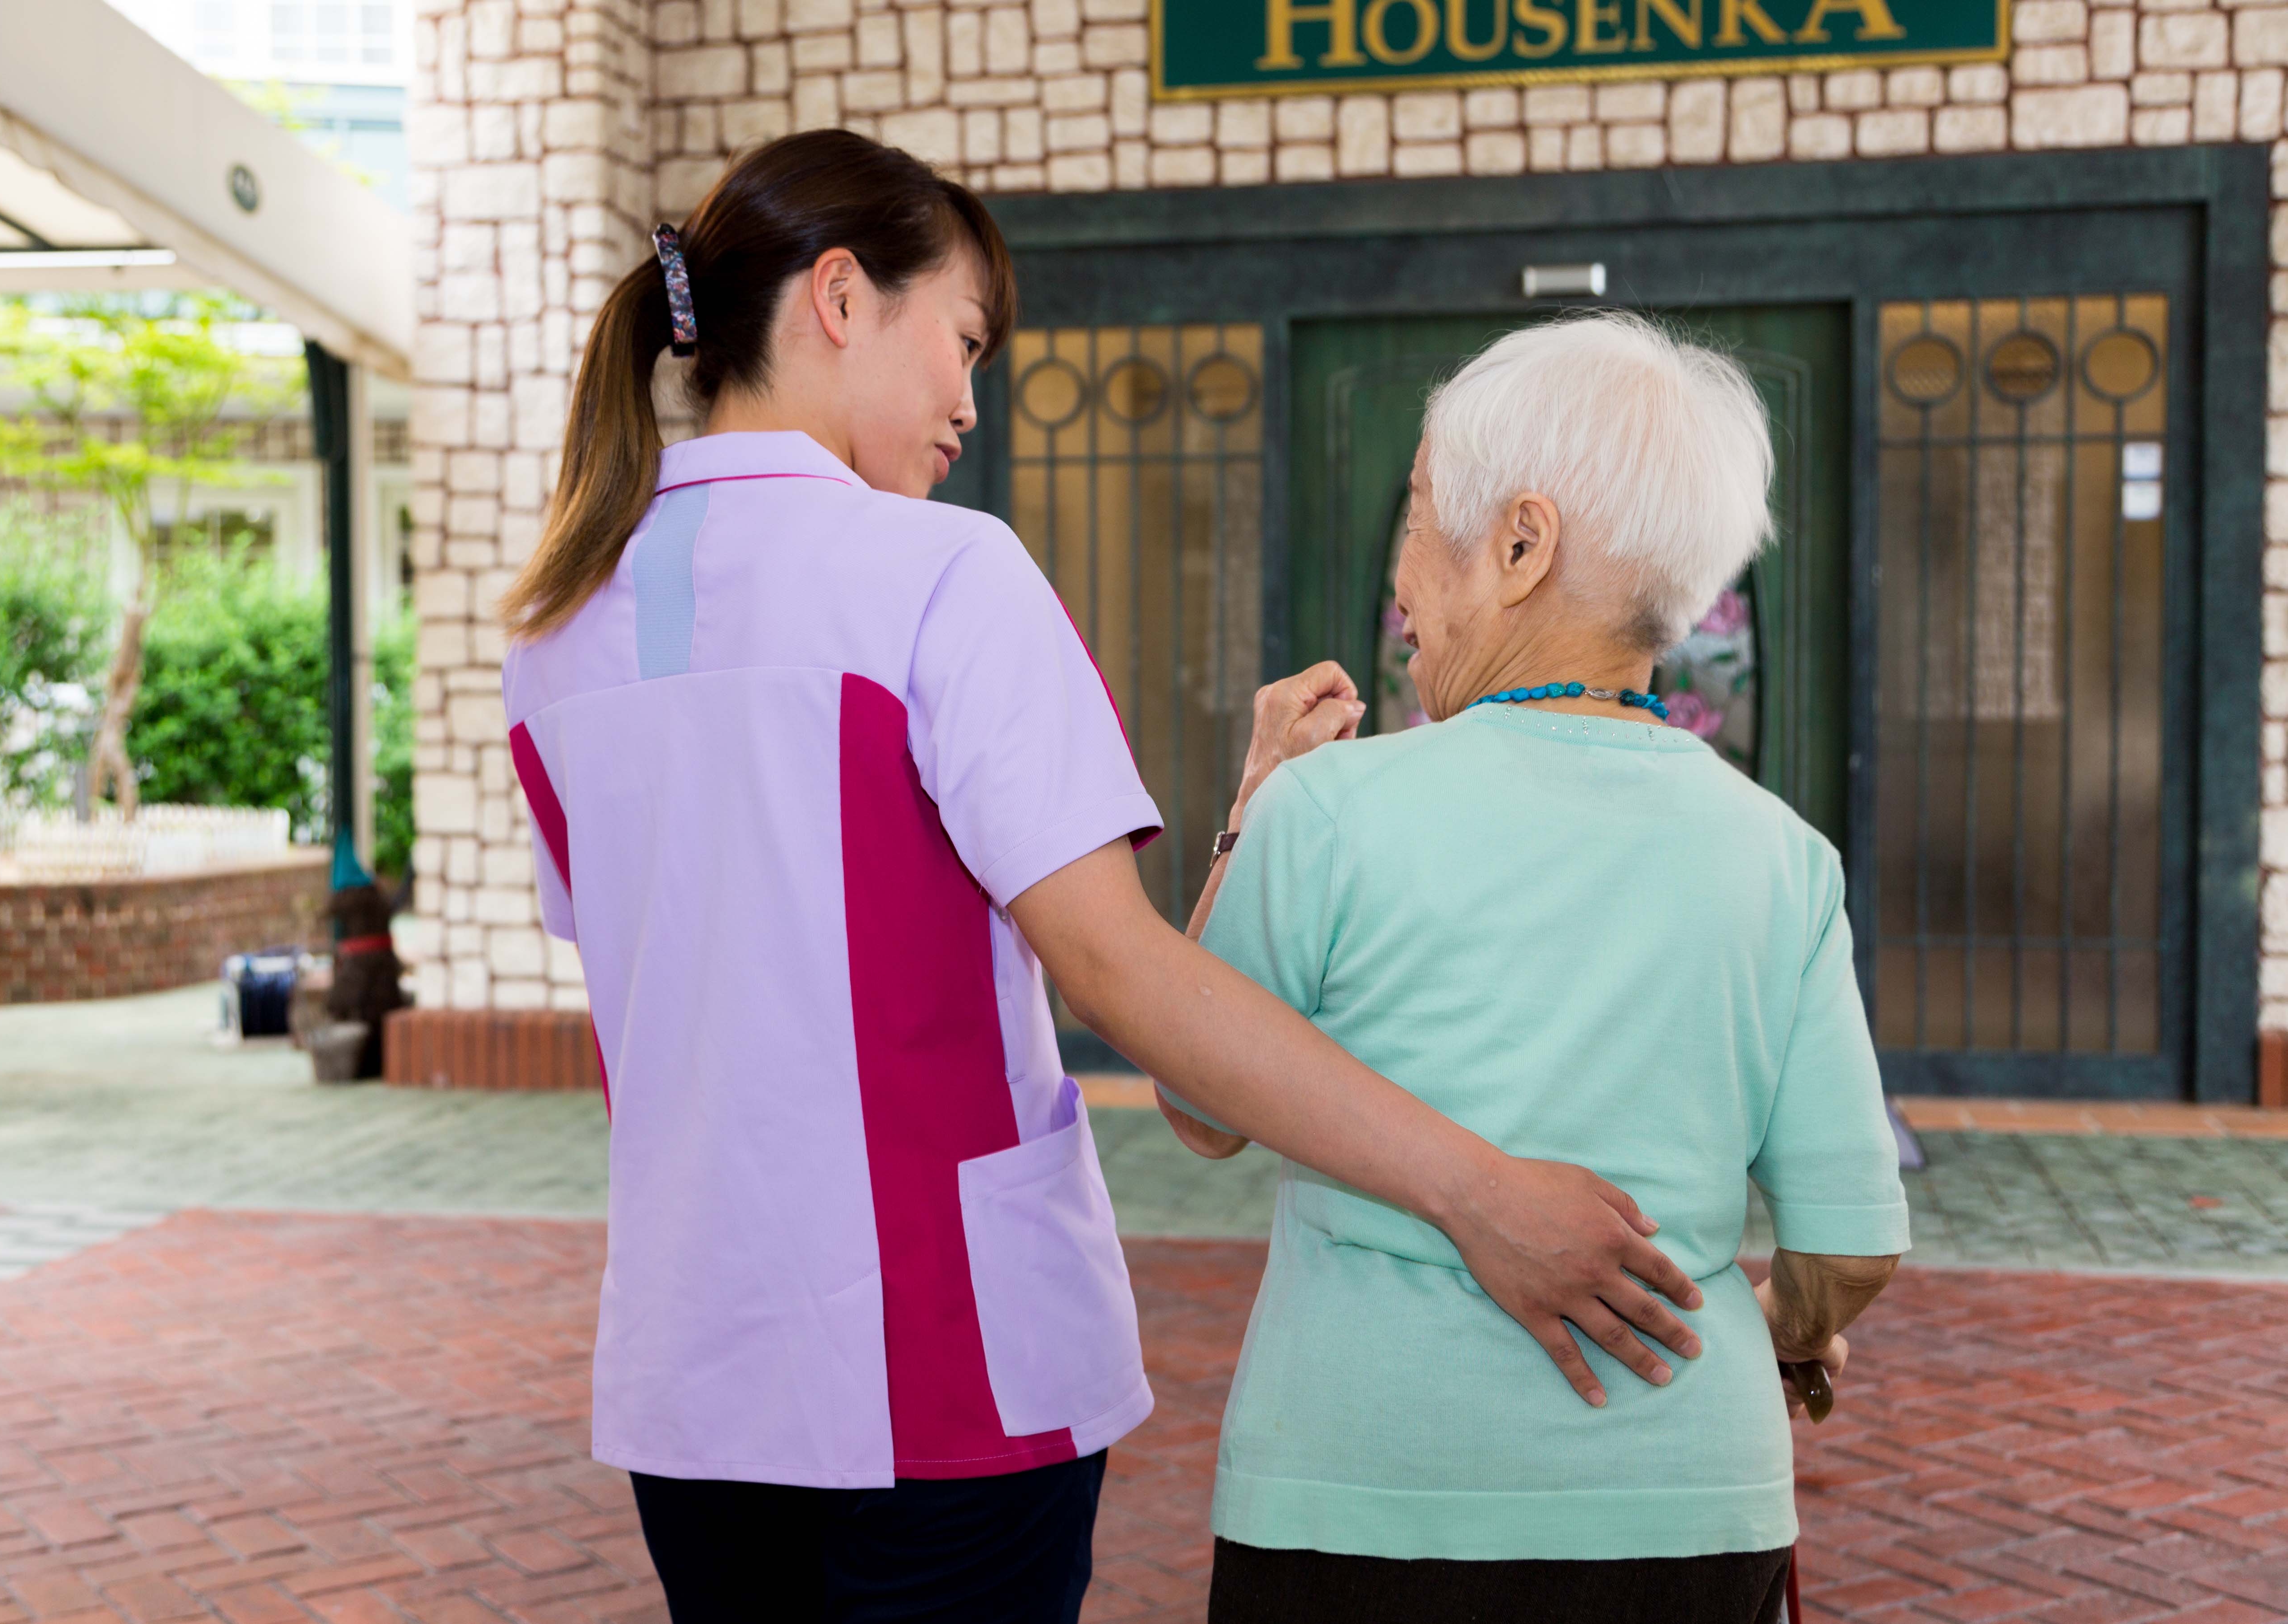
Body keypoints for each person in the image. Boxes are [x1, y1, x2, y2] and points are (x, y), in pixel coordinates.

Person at [497, 131, 1712, 1624]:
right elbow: (1119, 970)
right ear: (837, 297)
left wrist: (1254, 807)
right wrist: (1478, 1194)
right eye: (959, 339)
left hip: (695, 1390)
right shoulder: (942, 574)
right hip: (946, 1381)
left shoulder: (552, 636)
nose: (967, 398)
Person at [1162, 313, 1910, 1624]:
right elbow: (1848, 1240)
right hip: (1683, 1500)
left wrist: (1252, 803)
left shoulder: (1330, 810)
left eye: (1414, 515)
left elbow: (1200, 1103)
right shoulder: (1783, 858)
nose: (1399, 574)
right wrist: (1794, 1330)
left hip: (1357, 1491)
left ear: (1519, 544)